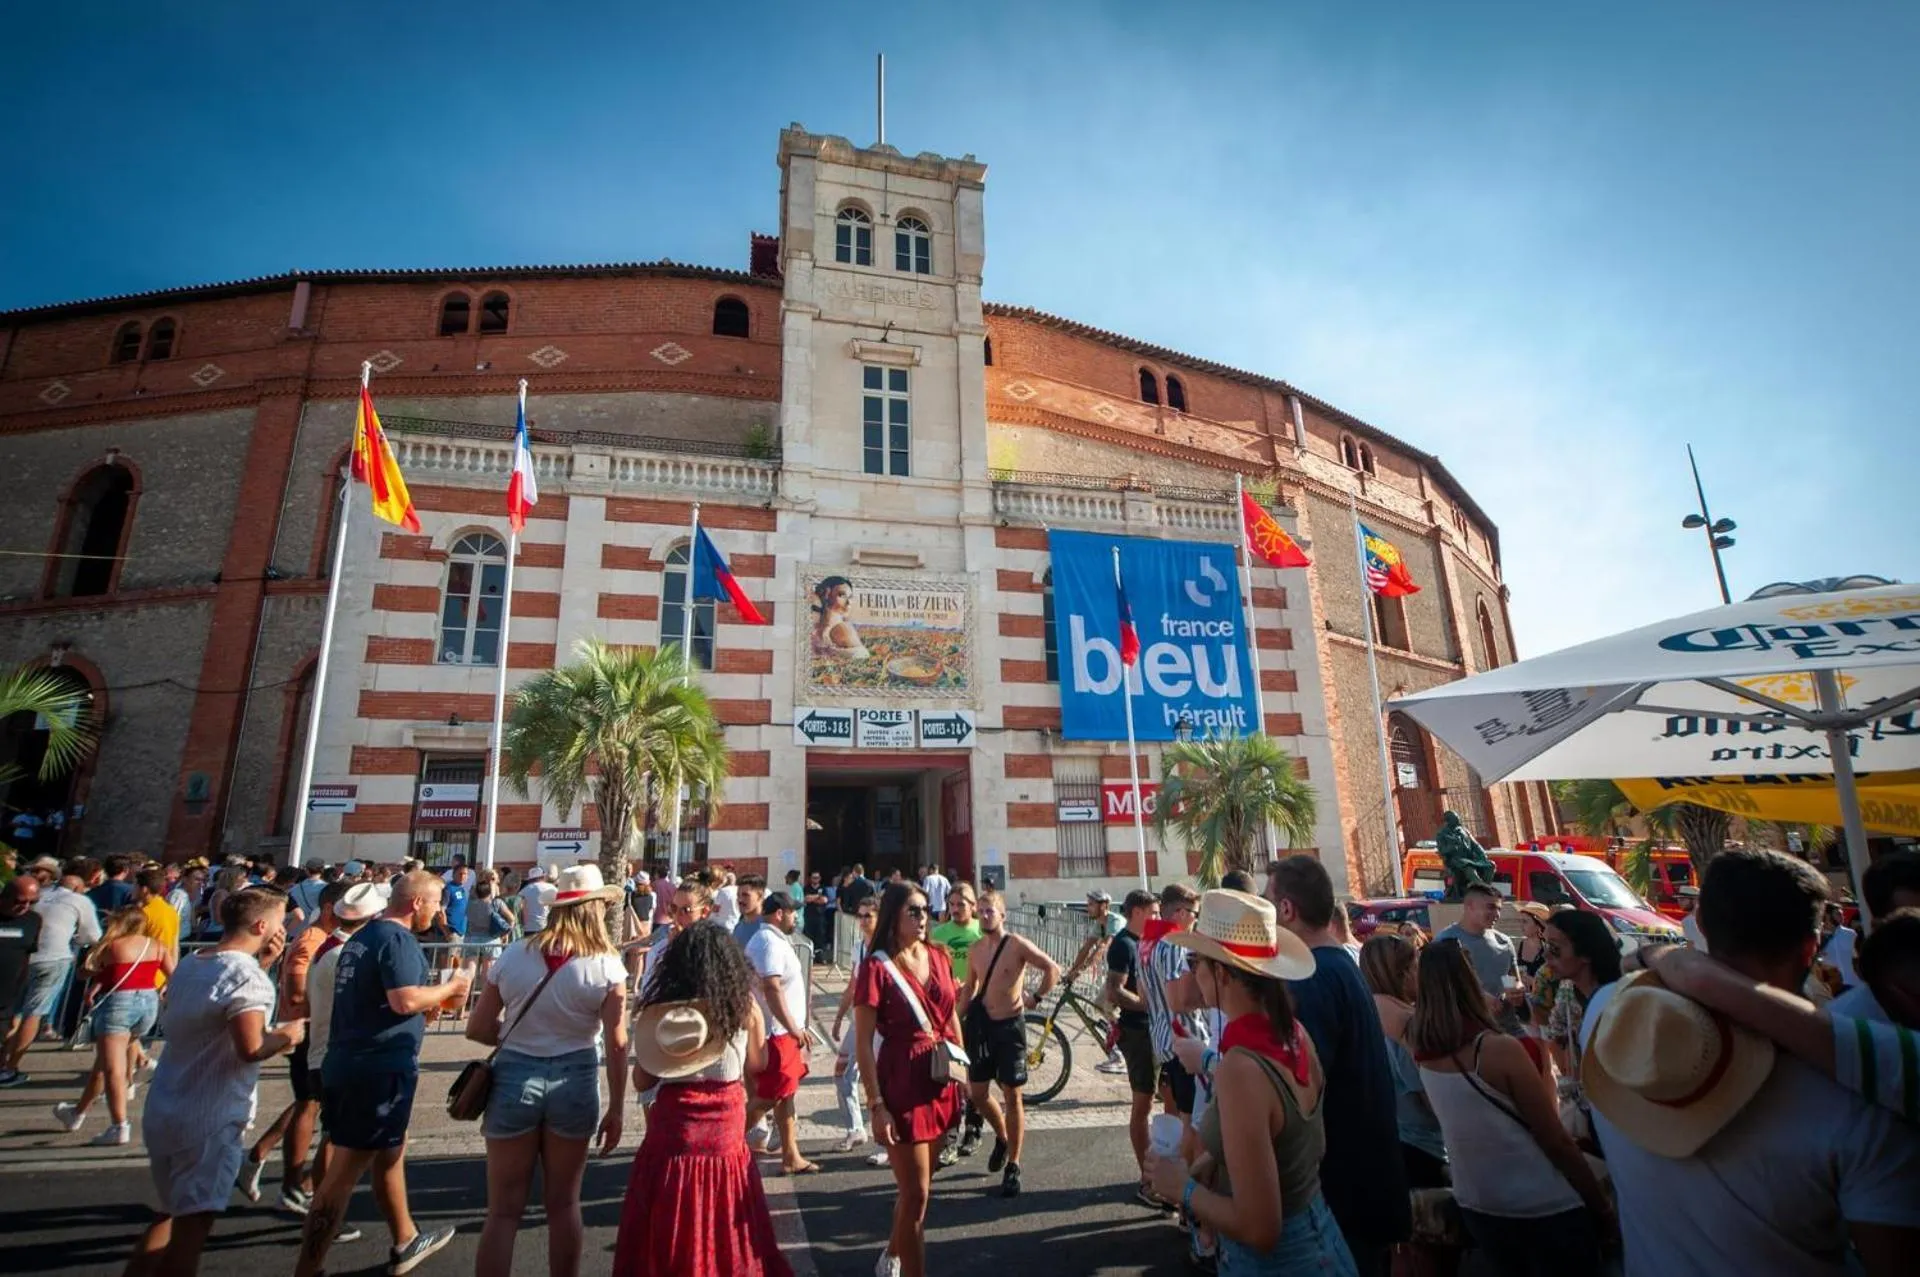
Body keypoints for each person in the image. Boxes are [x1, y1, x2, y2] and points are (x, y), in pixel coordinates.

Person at [1583, 848, 1920, 1276]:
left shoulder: (1609, 1014)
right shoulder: (1859, 1094)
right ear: (1810, 947)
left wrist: (1661, 956)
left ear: (1701, 924)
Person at [1146, 888, 1356, 1276]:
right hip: (1321, 1239)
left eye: (1197, 961)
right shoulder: (1295, 1034)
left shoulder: (1240, 1069)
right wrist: (1214, 1161)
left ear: (1222, 973)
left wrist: (1182, 1189)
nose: (1193, 972)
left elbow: (1261, 1228)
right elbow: (1308, 1145)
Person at [296, 871, 468, 1277]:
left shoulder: (360, 940)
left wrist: (429, 1003)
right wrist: (452, 987)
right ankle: (308, 1267)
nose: (440, 909)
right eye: (436, 901)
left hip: (352, 1060)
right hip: (375, 1068)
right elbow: (404, 999)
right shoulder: (397, 939)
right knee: (343, 1174)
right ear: (416, 903)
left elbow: (388, 1002)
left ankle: (406, 1237)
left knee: (391, 1153)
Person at [126, 887, 302, 1277]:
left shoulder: (193, 962)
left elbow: (219, 1011)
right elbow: (251, 1047)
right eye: (280, 919)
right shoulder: (246, 978)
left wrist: (265, 963)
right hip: (210, 1114)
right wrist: (289, 1035)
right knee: (192, 1229)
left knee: (168, 1213)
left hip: (168, 1101)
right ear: (261, 924)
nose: (283, 926)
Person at [1411, 941, 1611, 1277]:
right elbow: (1554, 1138)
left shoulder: (1424, 1052)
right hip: (1539, 1204)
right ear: (1468, 980)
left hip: (1478, 1203)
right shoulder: (1496, 1050)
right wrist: (1600, 1207)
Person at [467, 864, 628, 1277]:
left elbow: (479, 1028)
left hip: (514, 1073)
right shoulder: (607, 965)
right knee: (564, 1203)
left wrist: (521, 1037)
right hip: (574, 1077)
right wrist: (617, 1107)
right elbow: (616, 1044)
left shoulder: (515, 954)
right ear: (594, 910)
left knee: (502, 1211)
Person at [614, 922, 792, 1277]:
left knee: (668, 1223)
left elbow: (641, 1079)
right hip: (724, 1127)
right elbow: (757, 1064)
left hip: (673, 1128)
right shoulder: (743, 1008)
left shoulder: (663, 1012)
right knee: (723, 1219)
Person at [1265, 856, 1409, 1276]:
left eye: (1267, 903)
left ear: (1287, 910)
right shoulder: (1338, 964)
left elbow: (1303, 1091)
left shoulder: (1313, 978)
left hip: (1344, 1190)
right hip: (1366, 1181)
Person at [854, 882, 964, 1277]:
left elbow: (950, 1016)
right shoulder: (876, 967)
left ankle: (890, 1254)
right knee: (916, 1195)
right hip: (900, 1081)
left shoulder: (939, 955)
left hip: (940, 1075)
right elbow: (864, 1044)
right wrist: (875, 1104)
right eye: (913, 911)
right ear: (894, 917)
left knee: (918, 1189)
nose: (922, 918)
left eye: (925, 910)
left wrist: (962, 1069)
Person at [235, 879, 355, 1212]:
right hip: (309, 1032)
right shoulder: (313, 940)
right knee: (311, 1104)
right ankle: (294, 1187)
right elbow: (297, 992)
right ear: (331, 908)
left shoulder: (322, 938)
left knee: (311, 1101)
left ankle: (261, 1156)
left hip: (314, 1032)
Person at [961, 885, 1059, 1198]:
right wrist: (950, 1024)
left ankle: (1013, 1164)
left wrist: (1037, 997)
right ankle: (1002, 1136)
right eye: (981, 909)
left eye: (991, 910)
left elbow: (1051, 968)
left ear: (1002, 914)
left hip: (1010, 1028)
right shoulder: (975, 950)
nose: (985, 914)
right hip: (983, 1029)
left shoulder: (1016, 944)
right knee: (977, 1094)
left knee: (1012, 1095)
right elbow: (968, 991)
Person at [53, 904, 173, 1144]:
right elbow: (174, 974)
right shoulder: (157, 946)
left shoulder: (111, 946)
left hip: (120, 1004)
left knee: (112, 1069)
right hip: (147, 1002)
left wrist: (94, 976)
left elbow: (86, 971)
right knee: (104, 1063)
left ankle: (119, 1125)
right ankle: (77, 1112)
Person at [1357, 933, 1447, 1188]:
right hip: (1423, 1148)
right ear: (1401, 973)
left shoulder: (1367, 1012)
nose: (1422, 972)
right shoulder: (1406, 1022)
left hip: (1391, 1139)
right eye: (1416, 963)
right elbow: (1430, 1097)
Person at [1, 859, 97, 1085]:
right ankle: (10, 1067)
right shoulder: (79, 900)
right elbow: (92, 936)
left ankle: (3, 1060)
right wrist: (75, 939)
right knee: (33, 1012)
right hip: (53, 959)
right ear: (77, 887)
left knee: (13, 1012)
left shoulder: (40, 896)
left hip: (26, 957)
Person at [742, 891, 818, 1175]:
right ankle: (724, 1137)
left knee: (785, 1095)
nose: (795, 916)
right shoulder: (767, 943)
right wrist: (793, 1028)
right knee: (772, 1095)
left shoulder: (772, 940)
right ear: (779, 914)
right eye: (792, 911)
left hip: (781, 1031)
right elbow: (771, 987)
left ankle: (791, 1155)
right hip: (776, 1033)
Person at [1104, 888, 1162, 1205]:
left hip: (1155, 1031)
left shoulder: (1147, 941)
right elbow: (1115, 991)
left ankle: (1161, 1173)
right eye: (1153, 912)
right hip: (1137, 1033)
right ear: (1137, 912)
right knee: (1143, 1106)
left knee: (1163, 1100)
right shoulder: (1123, 945)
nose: (1156, 917)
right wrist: (1149, 1005)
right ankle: (1147, 1179)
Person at [829, 895, 888, 1165]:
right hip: (859, 1017)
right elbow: (852, 985)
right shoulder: (858, 948)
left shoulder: (888, 948)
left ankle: (885, 1142)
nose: (863, 921)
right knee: (841, 1072)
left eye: (868, 916)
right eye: (860, 915)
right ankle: (855, 1127)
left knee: (878, 1081)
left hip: (882, 1021)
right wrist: (840, 1017)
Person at [929, 882, 985, 1161]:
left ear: (973, 906)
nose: (955, 909)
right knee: (951, 1074)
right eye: (951, 904)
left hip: (978, 1010)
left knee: (975, 1074)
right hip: (947, 1013)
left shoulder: (982, 931)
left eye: (961, 904)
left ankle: (974, 1130)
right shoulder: (939, 934)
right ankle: (949, 1135)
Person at [1537, 908, 1621, 1091]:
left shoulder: (1622, 998)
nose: (1546, 955)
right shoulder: (1567, 990)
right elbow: (1555, 1034)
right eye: (1545, 946)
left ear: (1586, 953)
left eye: (1555, 948)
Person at [1433, 884, 1525, 1034]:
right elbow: (1437, 989)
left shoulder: (1504, 941)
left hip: (1507, 1027)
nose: (1496, 914)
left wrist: (1517, 990)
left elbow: (1512, 979)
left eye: (1499, 909)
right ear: (1469, 906)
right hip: (1466, 1032)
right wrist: (1478, 998)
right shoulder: (1444, 942)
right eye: (1491, 907)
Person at [0, 876, 45, 1088]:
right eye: (20, 901)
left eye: (31, 902)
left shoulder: (33, 920)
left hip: (8, 994)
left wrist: (21, 986)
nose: (25, 906)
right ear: (6, 896)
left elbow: (27, 955)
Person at [1819, 901, 1861, 991]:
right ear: (1827, 915)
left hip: (1852, 984)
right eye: (1837, 913)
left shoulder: (1850, 934)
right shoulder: (1819, 937)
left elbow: (1857, 959)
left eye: (1841, 913)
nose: (1841, 915)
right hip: (1831, 987)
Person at [1513, 902, 1550, 987]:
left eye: (1525, 922)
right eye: (1520, 921)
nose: (1521, 926)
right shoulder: (1522, 943)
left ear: (1538, 925)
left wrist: (1532, 982)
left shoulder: (1547, 948)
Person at [732, 874, 767, 946]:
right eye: (738, 895)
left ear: (760, 896)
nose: (740, 900)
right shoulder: (738, 928)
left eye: (746, 895)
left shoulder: (768, 927)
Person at [518, 866, 555, 934]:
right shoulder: (551, 888)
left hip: (528, 928)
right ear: (543, 876)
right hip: (546, 926)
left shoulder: (523, 891)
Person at [1677, 884, 1707, 951]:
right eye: (1678, 899)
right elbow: (1690, 945)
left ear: (1695, 900)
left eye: (1682, 899)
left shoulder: (1709, 918)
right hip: (1698, 959)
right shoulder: (1685, 922)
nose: (1679, 902)